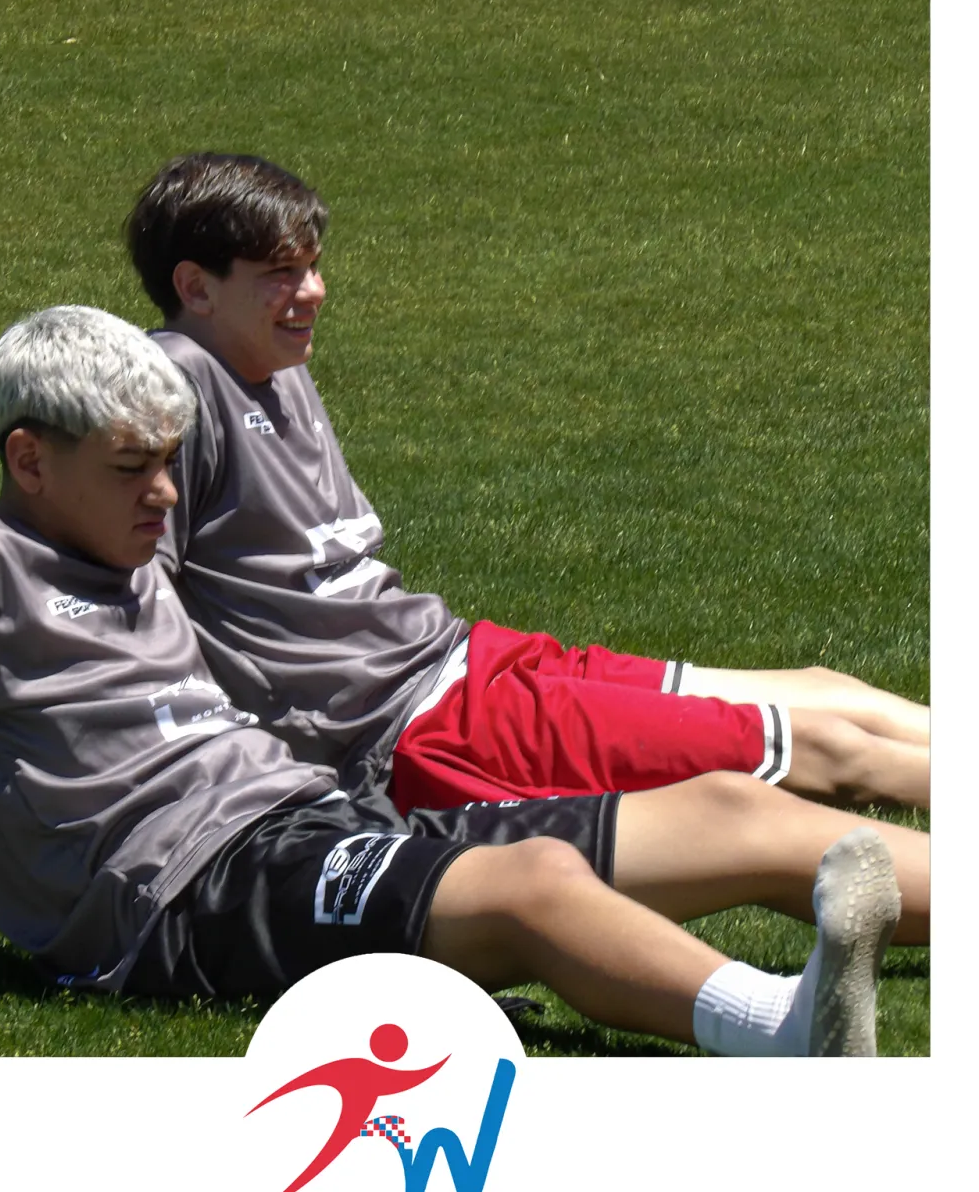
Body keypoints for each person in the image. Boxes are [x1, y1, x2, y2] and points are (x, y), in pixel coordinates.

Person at [0, 306, 929, 1057]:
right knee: (534, 885)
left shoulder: (127, 544)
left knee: (733, 808)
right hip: (190, 894)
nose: (166, 493)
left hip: (315, 814)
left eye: (170, 460)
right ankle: (785, 1030)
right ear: (29, 458)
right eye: (133, 468)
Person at [125, 151, 929, 814]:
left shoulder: (271, 360)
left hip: (458, 655)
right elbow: (136, 606)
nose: (313, 292)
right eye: (281, 272)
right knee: (823, 749)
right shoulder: (174, 386)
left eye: (312, 266)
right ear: (196, 287)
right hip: (413, 724)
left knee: (822, 692)